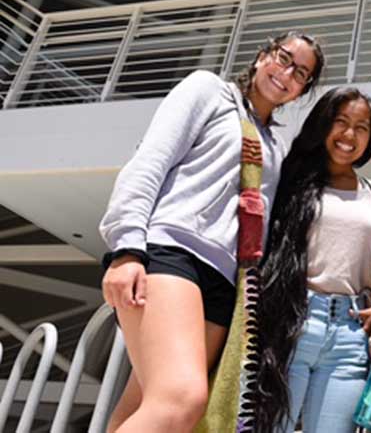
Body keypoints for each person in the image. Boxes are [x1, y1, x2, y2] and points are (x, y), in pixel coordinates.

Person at [98, 32, 325, 433]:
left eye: (300, 73)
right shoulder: (208, 91)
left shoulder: (274, 145)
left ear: (302, 90)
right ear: (261, 56)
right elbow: (150, 160)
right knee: (181, 400)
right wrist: (127, 249)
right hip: (172, 252)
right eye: (283, 58)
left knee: (144, 408)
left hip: (224, 284)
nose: (286, 73)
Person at [254, 87, 371, 433]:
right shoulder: (290, 183)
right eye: (341, 122)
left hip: (350, 335)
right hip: (295, 325)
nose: (349, 135)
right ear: (323, 125)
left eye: (362, 127)